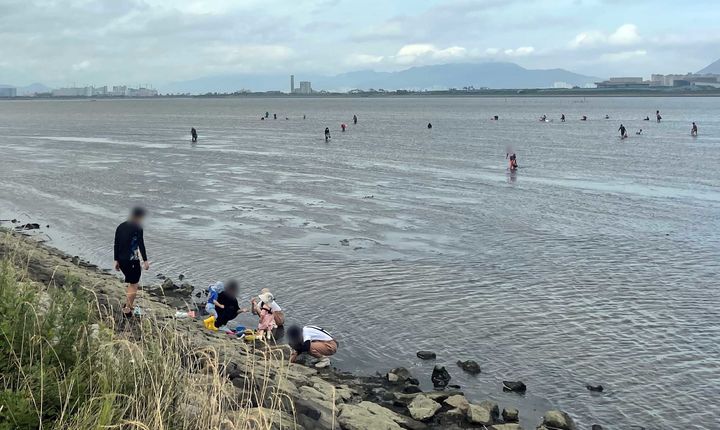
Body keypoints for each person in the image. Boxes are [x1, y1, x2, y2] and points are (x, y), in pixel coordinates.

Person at [114, 207, 149, 318]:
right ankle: (127, 310)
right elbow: (141, 244)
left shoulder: (121, 226)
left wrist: (116, 260)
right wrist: (145, 261)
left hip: (121, 260)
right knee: (134, 284)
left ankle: (128, 305)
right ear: (139, 217)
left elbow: (116, 244)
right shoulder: (137, 228)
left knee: (131, 282)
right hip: (132, 260)